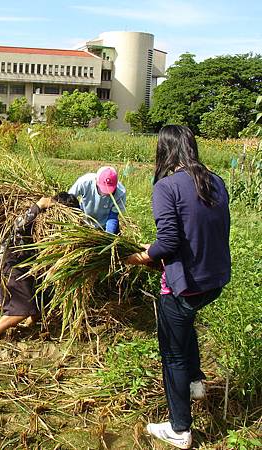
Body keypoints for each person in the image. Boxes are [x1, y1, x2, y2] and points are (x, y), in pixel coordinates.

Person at [125, 125, 231, 450]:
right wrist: (157, 249)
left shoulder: (167, 186)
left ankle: (180, 428)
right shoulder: (215, 181)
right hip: (213, 281)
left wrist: (143, 255)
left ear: (165, 150)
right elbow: (196, 230)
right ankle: (197, 383)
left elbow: (169, 241)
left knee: (172, 353)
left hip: (185, 286)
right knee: (187, 327)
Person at [0, 192, 80, 340]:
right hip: (9, 265)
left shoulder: (48, 227)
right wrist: (39, 206)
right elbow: (18, 225)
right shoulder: (36, 216)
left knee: (40, 295)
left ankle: (30, 323)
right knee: (21, 310)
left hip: (20, 267)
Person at [68, 166, 126, 234]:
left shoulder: (120, 193)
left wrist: (108, 235)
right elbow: (69, 199)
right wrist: (76, 219)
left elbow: (113, 216)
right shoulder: (85, 182)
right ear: (96, 181)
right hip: (84, 221)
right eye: (103, 189)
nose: (106, 193)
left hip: (104, 226)